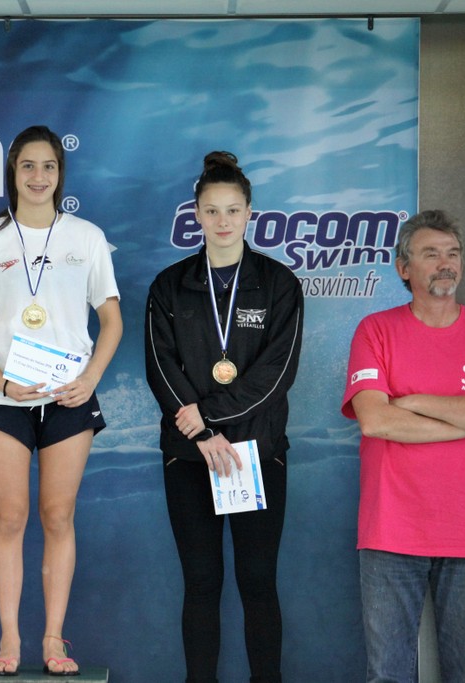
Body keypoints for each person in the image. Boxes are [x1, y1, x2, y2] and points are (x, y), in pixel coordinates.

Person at [0, 125, 122, 677]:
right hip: (3, 399)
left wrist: (91, 378)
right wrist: (0, 381)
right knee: (11, 515)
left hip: (69, 396)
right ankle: (9, 638)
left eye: (48, 166)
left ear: (60, 174)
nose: (38, 176)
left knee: (58, 515)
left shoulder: (86, 238)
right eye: (28, 166)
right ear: (13, 173)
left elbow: (111, 319)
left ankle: (52, 639)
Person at [341, 209, 465, 683]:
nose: (446, 264)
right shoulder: (375, 330)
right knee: (387, 675)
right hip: (390, 530)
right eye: (431, 254)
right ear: (404, 268)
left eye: (453, 254)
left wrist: (416, 402)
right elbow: (376, 420)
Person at [145, 151, 304, 683]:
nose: (223, 221)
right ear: (196, 214)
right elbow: (160, 367)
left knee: (257, 582)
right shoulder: (169, 286)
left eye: (233, 210)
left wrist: (210, 418)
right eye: (211, 211)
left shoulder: (279, 284)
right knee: (201, 583)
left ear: (249, 213)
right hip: (190, 456)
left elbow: (276, 374)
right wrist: (204, 433)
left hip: (256, 453)